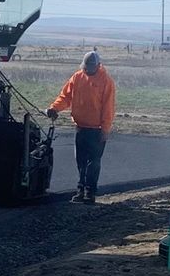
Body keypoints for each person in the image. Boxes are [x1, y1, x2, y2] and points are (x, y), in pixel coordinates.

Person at [46, 50, 117, 203]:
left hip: (97, 130)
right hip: (81, 128)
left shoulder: (106, 81)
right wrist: (54, 108)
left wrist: (105, 130)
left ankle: (90, 192)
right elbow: (65, 97)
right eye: (86, 67)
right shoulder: (77, 77)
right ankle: (80, 190)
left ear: (98, 66)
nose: (88, 70)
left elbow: (108, 108)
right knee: (81, 162)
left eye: (90, 67)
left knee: (93, 162)